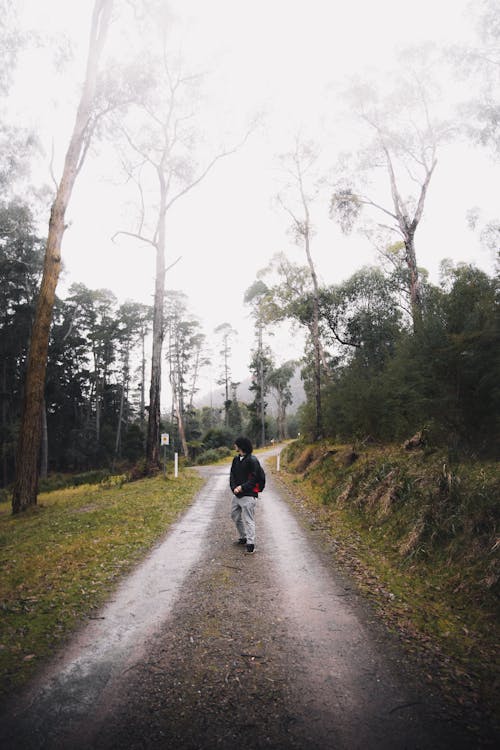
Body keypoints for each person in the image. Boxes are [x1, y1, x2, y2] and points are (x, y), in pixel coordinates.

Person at [229, 436, 263, 555]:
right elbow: (232, 475)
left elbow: (255, 478)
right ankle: (243, 537)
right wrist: (234, 488)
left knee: (249, 519)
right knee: (235, 516)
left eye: (236, 444)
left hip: (249, 495)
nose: (234, 446)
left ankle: (250, 544)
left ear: (241, 446)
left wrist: (242, 487)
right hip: (237, 495)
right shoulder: (236, 460)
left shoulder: (252, 460)